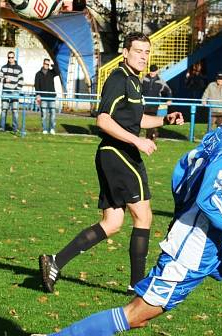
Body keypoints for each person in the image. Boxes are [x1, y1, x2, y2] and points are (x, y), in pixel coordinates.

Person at [29, 68, 222, 336]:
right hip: (193, 248)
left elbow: (184, 168)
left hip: (218, 239)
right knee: (135, 315)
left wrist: (187, 212)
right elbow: (208, 199)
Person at [38, 32, 184, 296]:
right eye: (137, 51)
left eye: (146, 52)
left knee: (113, 221)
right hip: (120, 154)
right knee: (144, 216)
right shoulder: (118, 79)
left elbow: (135, 121)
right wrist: (137, 142)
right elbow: (103, 120)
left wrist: (164, 120)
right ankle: (137, 286)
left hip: (115, 154)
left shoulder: (134, 82)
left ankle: (55, 262)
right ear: (125, 52)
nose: (142, 56)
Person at [142, 64, 172, 139]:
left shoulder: (161, 81)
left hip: (154, 105)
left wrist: (169, 99)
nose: (152, 74)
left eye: (154, 72)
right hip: (144, 104)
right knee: (142, 120)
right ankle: (150, 136)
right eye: (151, 72)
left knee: (151, 121)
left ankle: (151, 137)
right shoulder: (143, 79)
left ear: (157, 71)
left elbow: (168, 90)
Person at [0, 51, 24, 132]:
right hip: (5, 91)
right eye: (9, 57)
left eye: (12, 57)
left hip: (15, 92)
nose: (10, 59)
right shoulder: (4, 67)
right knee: (4, 110)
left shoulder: (19, 68)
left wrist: (17, 90)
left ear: (14, 58)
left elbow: (21, 80)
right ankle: (2, 127)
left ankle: (15, 128)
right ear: (7, 58)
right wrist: (5, 80)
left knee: (15, 111)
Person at [34, 58, 60, 134]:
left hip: (51, 97)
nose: (47, 65)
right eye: (45, 64)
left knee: (53, 114)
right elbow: (36, 85)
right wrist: (38, 95)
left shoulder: (51, 72)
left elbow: (58, 72)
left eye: (48, 64)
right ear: (43, 64)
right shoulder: (38, 74)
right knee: (44, 114)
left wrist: (52, 65)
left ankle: (52, 129)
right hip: (43, 97)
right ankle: (44, 129)